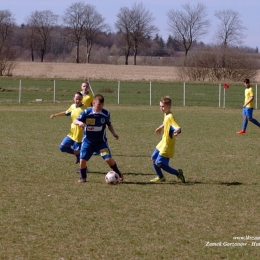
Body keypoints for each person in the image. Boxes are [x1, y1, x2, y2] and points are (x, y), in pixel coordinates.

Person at [73, 94, 123, 183]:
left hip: (101, 143)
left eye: (102, 105)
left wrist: (114, 133)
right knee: (82, 160)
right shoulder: (86, 112)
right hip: (88, 142)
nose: (100, 107)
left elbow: (109, 124)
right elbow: (75, 120)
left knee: (108, 159)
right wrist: (80, 123)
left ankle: (118, 173)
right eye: (98, 104)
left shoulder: (105, 113)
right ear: (93, 103)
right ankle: (83, 177)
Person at [150, 96, 185, 183]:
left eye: (163, 106)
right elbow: (165, 122)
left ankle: (177, 173)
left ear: (169, 107)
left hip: (168, 143)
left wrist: (177, 131)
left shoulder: (170, 116)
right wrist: (160, 127)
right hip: (163, 141)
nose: (161, 108)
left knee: (159, 163)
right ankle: (160, 177)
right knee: (153, 158)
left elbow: (177, 127)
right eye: (160, 106)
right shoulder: (166, 114)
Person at [50, 92, 86, 164]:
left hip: (79, 135)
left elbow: (90, 119)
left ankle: (84, 168)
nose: (78, 100)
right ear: (73, 98)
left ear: (82, 99)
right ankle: (77, 154)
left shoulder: (85, 109)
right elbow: (66, 113)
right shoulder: (72, 106)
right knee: (62, 147)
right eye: (76, 99)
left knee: (80, 156)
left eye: (79, 99)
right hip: (72, 133)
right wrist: (56, 115)